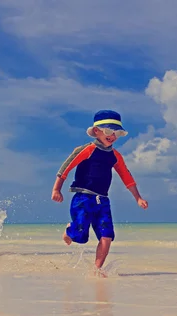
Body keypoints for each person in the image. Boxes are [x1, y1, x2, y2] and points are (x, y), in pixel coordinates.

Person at [51, 110, 148, 273]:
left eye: (117, 132)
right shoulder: (87, 150)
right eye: (109, 131)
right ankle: (70, 229)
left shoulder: (115, 156)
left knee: (107, 235)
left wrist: (138, 198)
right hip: (83, 198)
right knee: (81, 236)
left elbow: (127, 177)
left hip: (103, 201)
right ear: (96, 131)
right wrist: (56, 189)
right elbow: (66, 167)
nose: (113, 135)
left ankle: (97, 270)